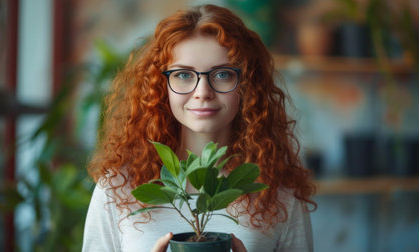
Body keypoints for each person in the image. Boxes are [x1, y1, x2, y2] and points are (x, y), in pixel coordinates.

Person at [82, 4, 316, 252]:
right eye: (184, 75)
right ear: (161, 86)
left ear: (247, 84)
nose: (203, 92)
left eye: (222, 74)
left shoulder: (278, 193)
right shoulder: (117, 188)